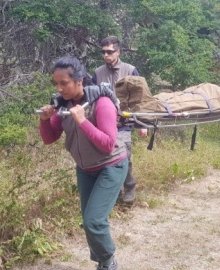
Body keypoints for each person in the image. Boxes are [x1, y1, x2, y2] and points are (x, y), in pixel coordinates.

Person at [39, 56, 127, 270]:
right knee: (89, 222)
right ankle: (103, 262)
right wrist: (44, 119)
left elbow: (108, 144)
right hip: (86, 169)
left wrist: (83, 121)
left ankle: (108, 262)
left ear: (79, 80)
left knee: (94, 221)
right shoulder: (64, 105)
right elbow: (49, 138)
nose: (59, 89)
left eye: (64, 83)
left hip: (111, 165)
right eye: (56, 84)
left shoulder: (102, 103)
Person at [92, 36, 147, 203]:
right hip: (103, 122)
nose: (106, 55)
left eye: (110, 51)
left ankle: (129, 188)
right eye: (103, 52)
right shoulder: (98, 72)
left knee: (124, 157)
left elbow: (141, 99)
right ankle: (113, 193)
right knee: (106, 159)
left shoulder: (130, 70)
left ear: (118, 52)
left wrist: (142, 124)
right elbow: (93, 97)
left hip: (125, 122)